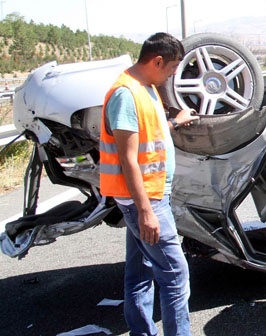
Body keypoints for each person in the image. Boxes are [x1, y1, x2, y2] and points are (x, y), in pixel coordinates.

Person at [99, 32, 199, 336]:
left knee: (140, 271)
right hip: (145, 200)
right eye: (170, 68)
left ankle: (142, 332)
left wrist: (176, 122)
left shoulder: (147, 89)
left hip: (152, 195)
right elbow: (128, 158)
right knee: (175, 276)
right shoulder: (125, 94)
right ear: (156, 61)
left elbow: (151, 134)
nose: (171, 75)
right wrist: (145, 211)